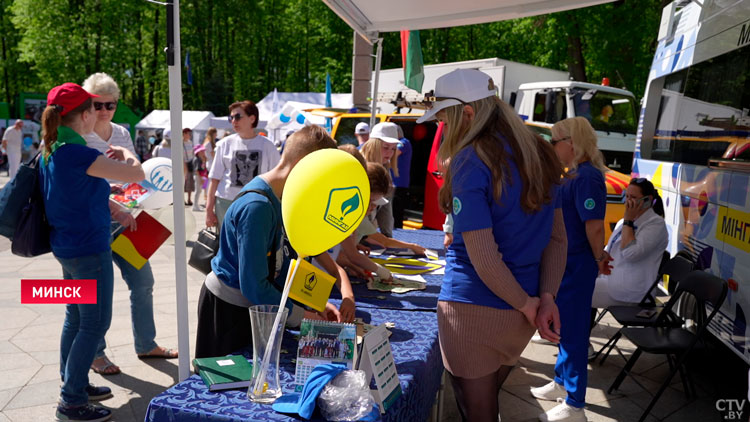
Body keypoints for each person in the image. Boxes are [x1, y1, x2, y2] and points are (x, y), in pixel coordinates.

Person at [418, 69, 566, 422]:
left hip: (474, 309)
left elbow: (484, 257)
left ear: (467, 113)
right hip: (520, 313)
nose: (443, 128)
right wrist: (544, 299)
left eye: (445, 117)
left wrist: (531, 304)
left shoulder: (471, 159)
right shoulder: (541, 152)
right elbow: (558, 240)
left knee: (478, 415)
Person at [40, 82, 144, 421]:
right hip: (89, 248)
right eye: (94, 109)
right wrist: (126, 154)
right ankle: (71, 401)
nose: (99, 114)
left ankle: (75, 381)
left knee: (75, 316)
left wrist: (115, 209)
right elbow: (137, 174)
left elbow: (82, 194)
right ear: (84, 116)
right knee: (94, 322)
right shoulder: (81, 153)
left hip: (67, 247)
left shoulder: (53, 148)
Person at [195, 125, 345, 359]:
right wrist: (302, 316)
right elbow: (254, 284)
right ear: (302, 167)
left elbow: (283, 260)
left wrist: (312, 303)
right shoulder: (258, 207)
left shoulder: (283, 198)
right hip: (229, 311)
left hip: (255, 306)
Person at [81, 72, 177, 377]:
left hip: (128, 220)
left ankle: (146, 343)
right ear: (88, 105)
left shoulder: (122, 133)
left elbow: (138, 174)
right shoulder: (78, 136)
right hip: (92, 224)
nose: (104, 110)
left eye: (110, 104)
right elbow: (81, 183)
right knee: (94, 293)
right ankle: (96, 354)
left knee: (143, 282)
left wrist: (137, 199)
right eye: (98, 105)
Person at [531, 117, 608, 422]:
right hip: (567, 263)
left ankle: (575, 404)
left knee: (573, 331)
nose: (552, 147)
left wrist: (599, 257)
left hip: (576, 264)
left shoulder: (587, 177)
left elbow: (594, 227)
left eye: (555, 141)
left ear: (572, 143)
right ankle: (562, 381)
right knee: (564, 327)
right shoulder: (574, 174)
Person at [591, 178, 668, 308]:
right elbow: (610, 249)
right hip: (612, 280)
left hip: (631, 290)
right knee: (574, 283)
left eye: (633, 197)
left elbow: (630, 253)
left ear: (647, 200)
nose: (628, 201)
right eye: (626, 196)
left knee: (577, 292)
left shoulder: (655, 224)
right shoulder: (624, 222)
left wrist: (628, 221)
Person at [205, 100, 279, 229]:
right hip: (226, 203)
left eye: (238, 116)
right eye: (231, 117)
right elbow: (215, 179)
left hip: (256, 204)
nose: (234, 121)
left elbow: (277, 178)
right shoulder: (224, 144)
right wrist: (208, 210)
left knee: (251, 245)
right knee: (228, 246)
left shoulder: (268, 146)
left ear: (252, 118)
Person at [360, 122, 400, 238]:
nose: (390, 153)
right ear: (374, 145)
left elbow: (386, 207)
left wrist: (387, 236)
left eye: (393, 149)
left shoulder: (385, 168)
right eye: (386, 147)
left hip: (363, 235)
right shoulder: (359, 165)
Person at [392, 125, 412, 229]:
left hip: (399, 183)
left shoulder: (404, 142)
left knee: (397, 213)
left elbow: (395, 153)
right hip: (393, 182)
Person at [192, 144, 208, 211]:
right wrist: (201, 178)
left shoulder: (201, 159)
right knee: (197, 191)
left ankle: (196, 205)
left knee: (199, 191)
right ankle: (195, 206)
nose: (203, 152)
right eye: (202, 151)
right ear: (198, 152)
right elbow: (197, 170)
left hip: (201, 177)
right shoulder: (197, 159)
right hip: (198, 176)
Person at [183, 128, 196, 206]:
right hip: (183, 164)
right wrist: (185, 166)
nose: (189, 135)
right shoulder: (180, 143)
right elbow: (181, 156)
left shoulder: (190, 143)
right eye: (188, 133)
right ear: (184, 134)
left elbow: (192, 154)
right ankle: (183, 199)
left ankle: (189, 199)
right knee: (183, 182)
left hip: (191, 164)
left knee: (190, 182)